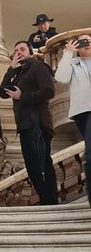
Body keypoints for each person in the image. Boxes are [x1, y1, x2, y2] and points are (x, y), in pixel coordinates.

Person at [0, 40, 58, 206]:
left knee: (41, 163)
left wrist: (22, 97)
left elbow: (49, 91)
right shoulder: (18, 73)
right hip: (25, 125)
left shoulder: (39, 67)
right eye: (16, 50)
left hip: (38, 122)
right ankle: (46, 199)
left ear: (30, 52)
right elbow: (4, 92)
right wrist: (11, 68)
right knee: (32, 166)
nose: (19, 52)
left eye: (22, 49)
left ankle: (50, 201)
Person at [55, 34, 91, 205]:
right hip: (84, 111)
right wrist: (68, 53)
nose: (87, 44)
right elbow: (61, 77)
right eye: (83, 42)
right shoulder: (74, 64)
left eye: (90, 41)